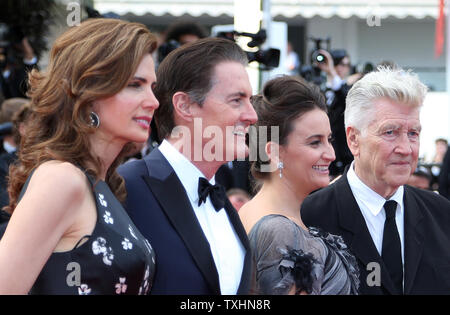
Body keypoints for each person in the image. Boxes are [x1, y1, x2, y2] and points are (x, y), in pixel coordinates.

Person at [0, 18, 159, 294]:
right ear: (88, 93)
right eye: (135, 84)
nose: (153, 101)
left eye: (152, 87)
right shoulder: (62, 179)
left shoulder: (100, 184)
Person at [118, 37, 257, 295]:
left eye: (250, 100)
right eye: (237, 100)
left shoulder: (224, 204)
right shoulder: (127, 187)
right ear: (185, 106)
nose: (252, 115)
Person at [301, 67, 450, 295]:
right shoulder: (309, 218)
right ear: (353, 139)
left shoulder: (441, 214)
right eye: (390, 132)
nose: (406, 149)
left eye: (413, 134)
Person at [238, 75, 359, 295]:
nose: (331, 154)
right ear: (274, 152)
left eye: (329, 140)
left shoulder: (260, 213)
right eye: (315, 142)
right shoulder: (277, 230)